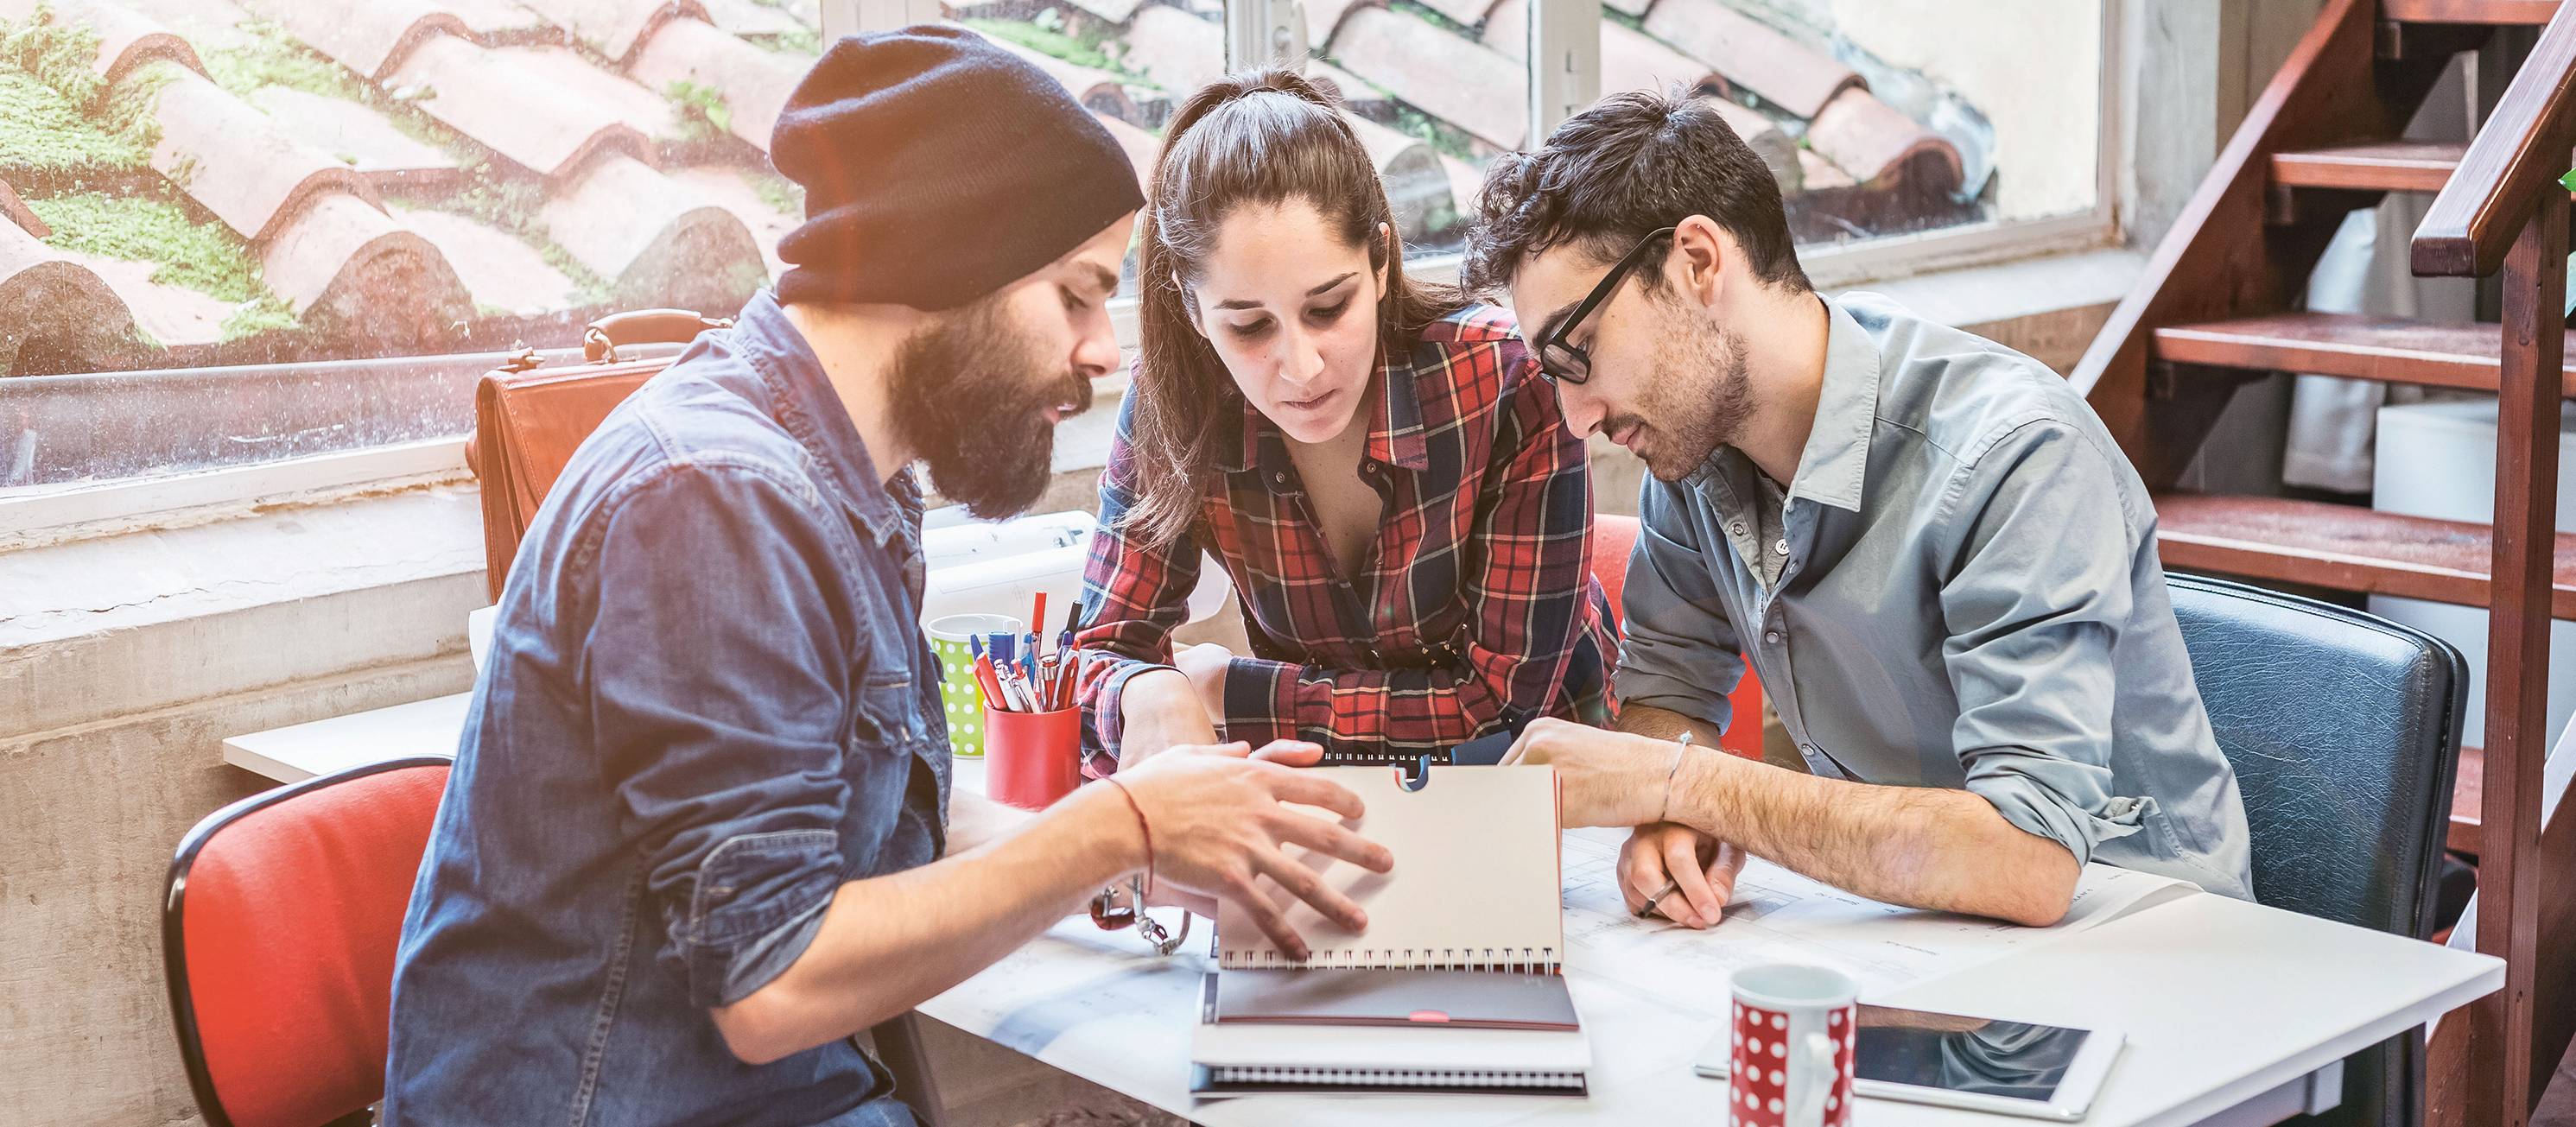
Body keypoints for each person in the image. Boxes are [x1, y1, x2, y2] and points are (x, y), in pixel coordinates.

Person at [382, 32, 1391, 1127]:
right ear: (945, 265)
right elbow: (770, 984)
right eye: (1077, 294)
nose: (1104, 350)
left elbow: (896, 828)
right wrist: (1124, 828)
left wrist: (1152, 860)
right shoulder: (717, 497)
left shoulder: (854, 483)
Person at [1463, 89, 2255, 930]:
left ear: (1697, 262)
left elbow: (2029, 858)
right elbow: (1670, 691)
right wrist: (1676, 818)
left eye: (1576, 353)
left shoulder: (2014, 454)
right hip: (1926, 933)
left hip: (2150, 940)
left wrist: (1690, 787)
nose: (1577, 420)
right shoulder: (1692, 455)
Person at [1075, 71, 1616, 769]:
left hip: (1548, 798)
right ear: (1192, 311)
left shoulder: (1510, 383)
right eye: (1248, 326)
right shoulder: (1174, 403)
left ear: (1382, 261)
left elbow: (1500, 703)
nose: (1300, 367)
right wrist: (1145, 690)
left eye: (1328, 308)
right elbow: (1098, 652)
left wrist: (1224, 686)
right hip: (1335, 798)